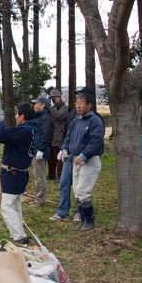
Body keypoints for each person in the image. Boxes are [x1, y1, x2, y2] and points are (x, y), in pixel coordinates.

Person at [52, 88, 104, 230]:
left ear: (89, 105)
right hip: (73, 159)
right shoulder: (76, 120)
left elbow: (96, 142)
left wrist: (84, 155)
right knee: (77, 191)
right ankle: (83, 220)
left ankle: (89, 220)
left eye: (82, 103)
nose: (78, 106)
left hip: (89, 160)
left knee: (82, 192)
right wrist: (64, 149)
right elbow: (68, 137)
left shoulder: (95, 121)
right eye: (77, 103)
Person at [0, 103, 39, 245]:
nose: (16, 116)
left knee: (6, 206)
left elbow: (4, 134)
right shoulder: (32, 130)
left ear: (23, 116)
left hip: (14, 173)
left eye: (17, 114)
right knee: (15, 205)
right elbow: (9, 133)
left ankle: (19, 235)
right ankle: (18, 232)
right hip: (20, 173)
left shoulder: (25, 131)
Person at [30, 96, 54, 207]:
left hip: (40, 151)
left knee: (39, 176)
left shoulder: (45, 118)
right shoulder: (39, 117)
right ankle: (38, 198)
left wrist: (41, 149)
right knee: (37, 175)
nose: (34, 105)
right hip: (35, 149)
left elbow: (46, 135)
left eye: (36, 103)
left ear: (43, 105)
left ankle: (40, 200)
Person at [47, 88, 69, 180]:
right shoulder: (52, 109)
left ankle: (60, 177)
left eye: (54, 98)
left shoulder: (64, 107)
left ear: (59, 97)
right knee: (51, 159)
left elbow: (58, 116)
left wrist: (52, 107)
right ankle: (51, 175)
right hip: (52, 136)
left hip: (60, 136)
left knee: (59, 159)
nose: (53, 100)